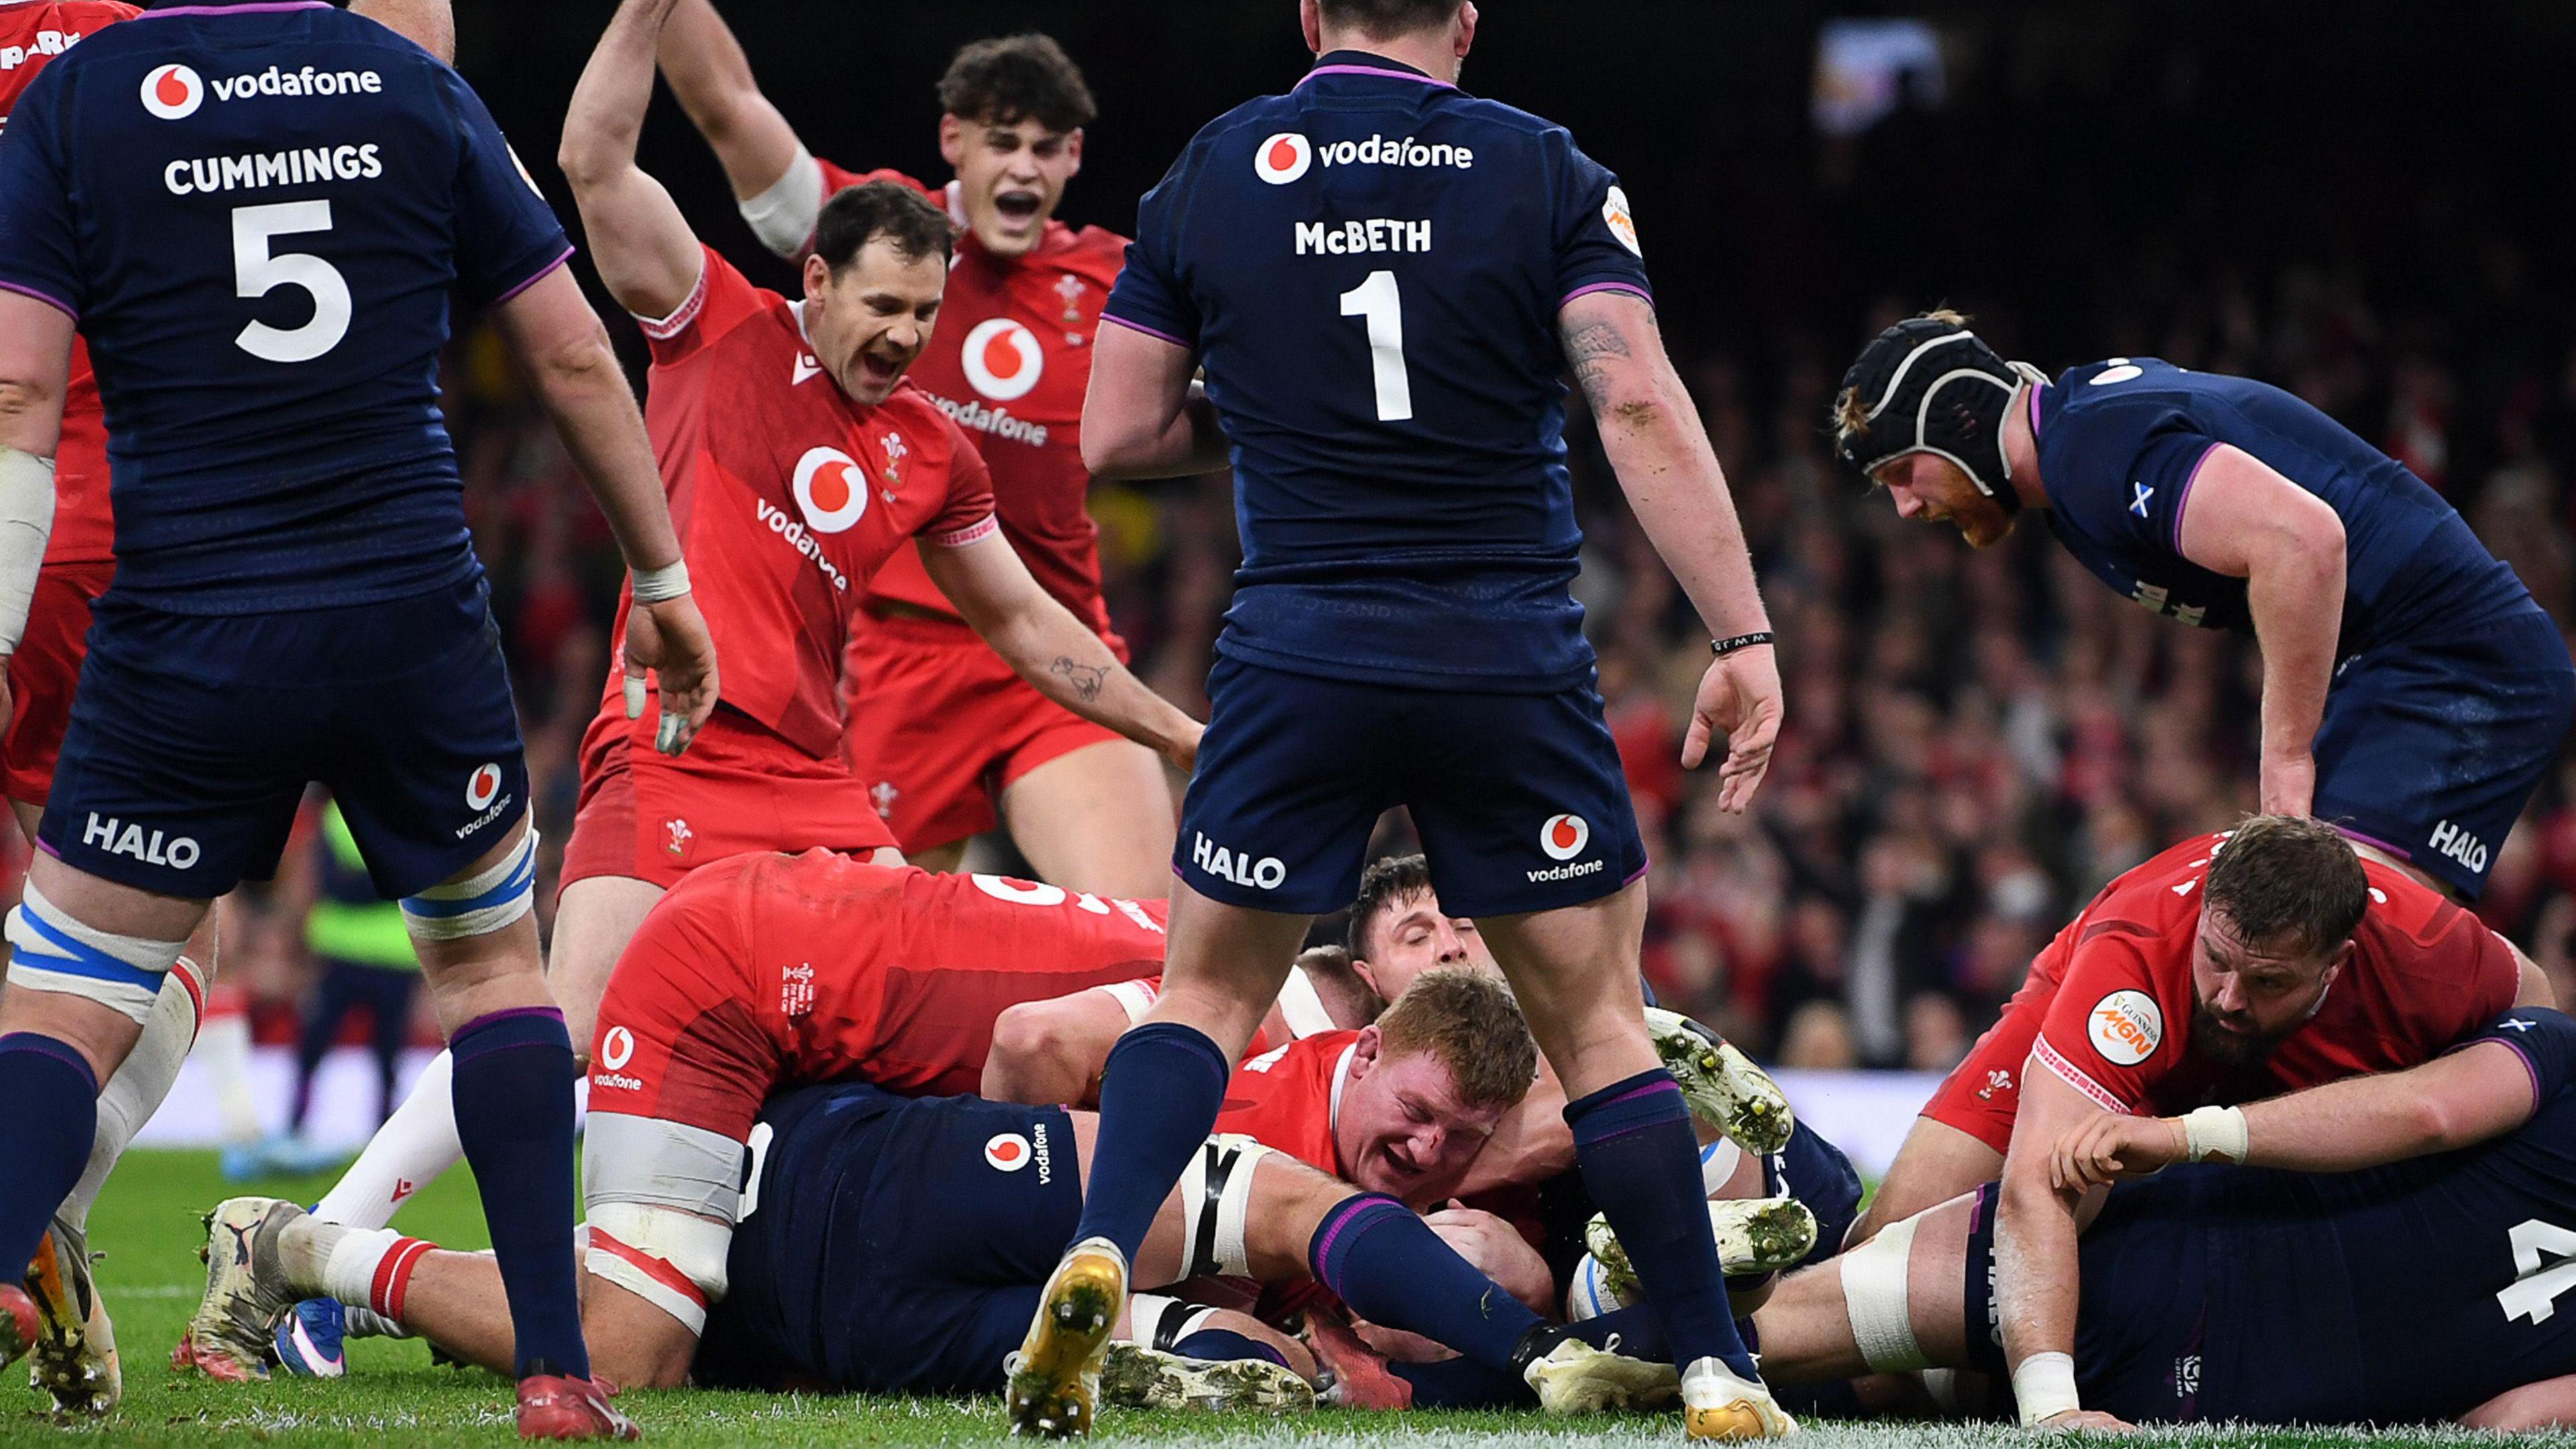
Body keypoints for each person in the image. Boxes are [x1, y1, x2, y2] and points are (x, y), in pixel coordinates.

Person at [290, 0, 1200, 1273]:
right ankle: (311, 1245)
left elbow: (1025, 621)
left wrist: (1176, 732)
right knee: (568, 1032)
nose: (904, 337)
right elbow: (595, 162)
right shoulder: (715, 326)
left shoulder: (931, 449)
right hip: (675, 748)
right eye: (882, 306)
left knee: (900, 1015)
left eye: (924, 315)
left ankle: (860, 1271)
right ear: (815, 281)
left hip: (818, 787)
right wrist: (641, 11)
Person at [1018, 1, 1789, 1437]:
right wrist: (1741, 633)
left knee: (1204, 1000)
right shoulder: (1542, 167)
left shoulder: (1213, 170)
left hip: (1299, 648)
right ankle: (1714, 1366)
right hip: (1504, 652)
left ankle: (1105, 1251)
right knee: (1600, 1030)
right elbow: (1631, 398)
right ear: (1467, 23)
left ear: (1313, 14)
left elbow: (1115, 433)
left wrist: (1282, 412)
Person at [0, 0, 722, 1434]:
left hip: (188, 621)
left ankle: (16, 1238)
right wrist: (662, 580)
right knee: (495, 976)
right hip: (408, 614)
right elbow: (575, 356)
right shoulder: (406, 82)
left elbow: (20, 387)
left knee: (69, 990)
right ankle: (557, 1377)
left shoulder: (83, 91)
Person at [202, 969, 1677, 1424]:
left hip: (853, 1324)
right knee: (1269, 1220)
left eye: (1456, 1141)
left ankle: (307, 1250)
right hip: (890, 1172)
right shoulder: (1253, 1041)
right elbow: (1031, 1041)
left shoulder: (1438, 1150)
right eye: (1413, 1116)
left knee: (1245, 1372)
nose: (1423, 1149)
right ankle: (1549, 1365)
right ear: (1367, 1048)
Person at [655, 3, 1179, 896]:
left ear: (1074, 157)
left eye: (1046, 147)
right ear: (954, 140)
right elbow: (727, 105)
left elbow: (1217, 404)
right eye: (1002, 141)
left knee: (1143, 931)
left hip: (1057, 652)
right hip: (899, 664)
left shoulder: (1115, 280)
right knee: (870, 961)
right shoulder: (873, 237)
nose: (1024, 166)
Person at [1835, 311, 2576, 900]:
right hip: (2410, 662)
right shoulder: (2074, 446)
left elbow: (2302, 543)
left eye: (1903, 472)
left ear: (1961, 424)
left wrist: (2285, 760)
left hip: (2455, 661)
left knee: (2329, 947)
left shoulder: (2088, 450)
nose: (1906, 507)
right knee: (2321, 948)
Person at [1750, 1006, 2576, 1429]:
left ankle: (1735, 1187)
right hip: (2198, 1404)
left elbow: (2431, 1110)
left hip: (2177, 1253)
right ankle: (1753, 1192)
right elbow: (2504, 1423)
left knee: (1763, 1338)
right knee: (1876, 1389)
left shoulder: (2558, 1059)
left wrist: (2189, 1134)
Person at [1855, 814, 2549, 1242]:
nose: (2230, 999)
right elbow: (2038, 1194)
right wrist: (2053, 1404)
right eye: (2216, 959)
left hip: (2287, 1090)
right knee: (1893, 1236)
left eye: (2268, 980)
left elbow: (2539, 1022)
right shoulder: (2134, 943)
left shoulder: (2431, 951)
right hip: (2118, 1019)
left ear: (2337, 962)